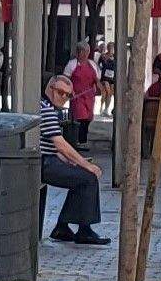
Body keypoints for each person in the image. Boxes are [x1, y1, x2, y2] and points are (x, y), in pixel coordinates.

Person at [39, 74, 111, 244]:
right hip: (44, 164)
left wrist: (70, 161)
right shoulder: (46, 111)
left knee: (80, 175)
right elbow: (60, 144)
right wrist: (85, 164)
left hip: (46, 160)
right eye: (60, 92)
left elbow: (51, 144)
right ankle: (83, 230)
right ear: (50, 89)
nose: (64, 98)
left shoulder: (47, 108)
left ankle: (63, 227)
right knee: (88, 177)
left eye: (68, 95)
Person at [65, 43, 101, 148]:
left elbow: (97, 80)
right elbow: (66, 79)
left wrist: (100, 88)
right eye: (82, 51)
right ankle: (80, 140)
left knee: (88, 118)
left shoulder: (92, 65)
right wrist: (69, 91)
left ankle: (82, 139)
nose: (85, 54)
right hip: (77, 96)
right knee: (81, 118)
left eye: (87, 51)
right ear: (78, 52)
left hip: (89, 97)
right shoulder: (72, 64)